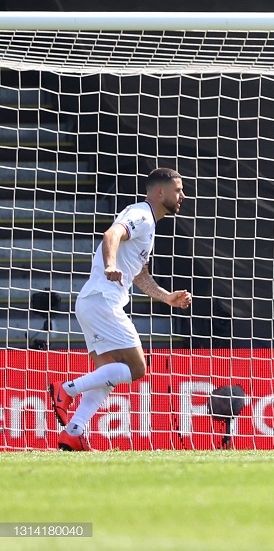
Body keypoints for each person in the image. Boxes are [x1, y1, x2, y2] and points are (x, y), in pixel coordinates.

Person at [48, 168, 192, 451]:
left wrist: (167, 298)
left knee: (108, 375)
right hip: (103, 300)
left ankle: (73, 432)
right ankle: (66, 390)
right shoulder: (141, 214)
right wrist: (111, 263)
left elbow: (140, 276)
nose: (182, 196)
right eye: (178, 190)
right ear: (160, 192)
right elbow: (111, 233)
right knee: (137, 368)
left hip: (92, 302)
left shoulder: (148, 224)